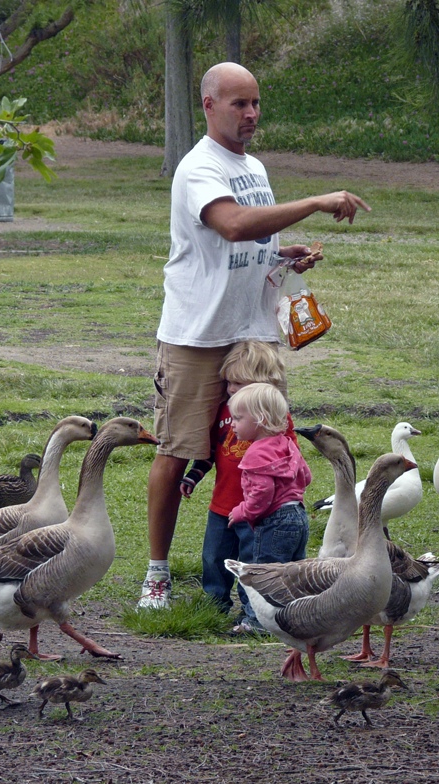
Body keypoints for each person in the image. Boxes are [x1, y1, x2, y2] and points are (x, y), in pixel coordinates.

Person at [140, 61, 369, 609]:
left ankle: (255, 575)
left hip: (253, 336)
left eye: (257, 103)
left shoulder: (254, 167)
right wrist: (316, 201)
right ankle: (157, 575)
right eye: (240, 104)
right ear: (209, 105)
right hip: (198, 335)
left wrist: (281, 254)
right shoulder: (198, 167)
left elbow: (249, 238)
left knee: (258, 450)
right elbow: (234, 223)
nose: (252, 114)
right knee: (180, 451)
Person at [178, 341, 291, 628]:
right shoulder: (223, 413)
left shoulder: (278, 419)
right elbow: (213, 454)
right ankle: (214, 605)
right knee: (214, 556)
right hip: (222, 505)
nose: (230, 389)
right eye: (228, 382)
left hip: (258, 510)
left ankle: (252, 614)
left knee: (252, 561)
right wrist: (194, 475)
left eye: (238, 383)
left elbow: (289, 458)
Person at [222, 382, 311, 633]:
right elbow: (306, 475)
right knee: (293, 572)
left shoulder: (255, 453)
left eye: (238, 418)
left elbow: (262, 494)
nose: (233, 424)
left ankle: (257, 622)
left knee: (263, 573)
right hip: (298, 516)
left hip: (275, 520)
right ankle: (295, 617)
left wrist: (243, 511)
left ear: (259, 419)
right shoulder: (287, 444)